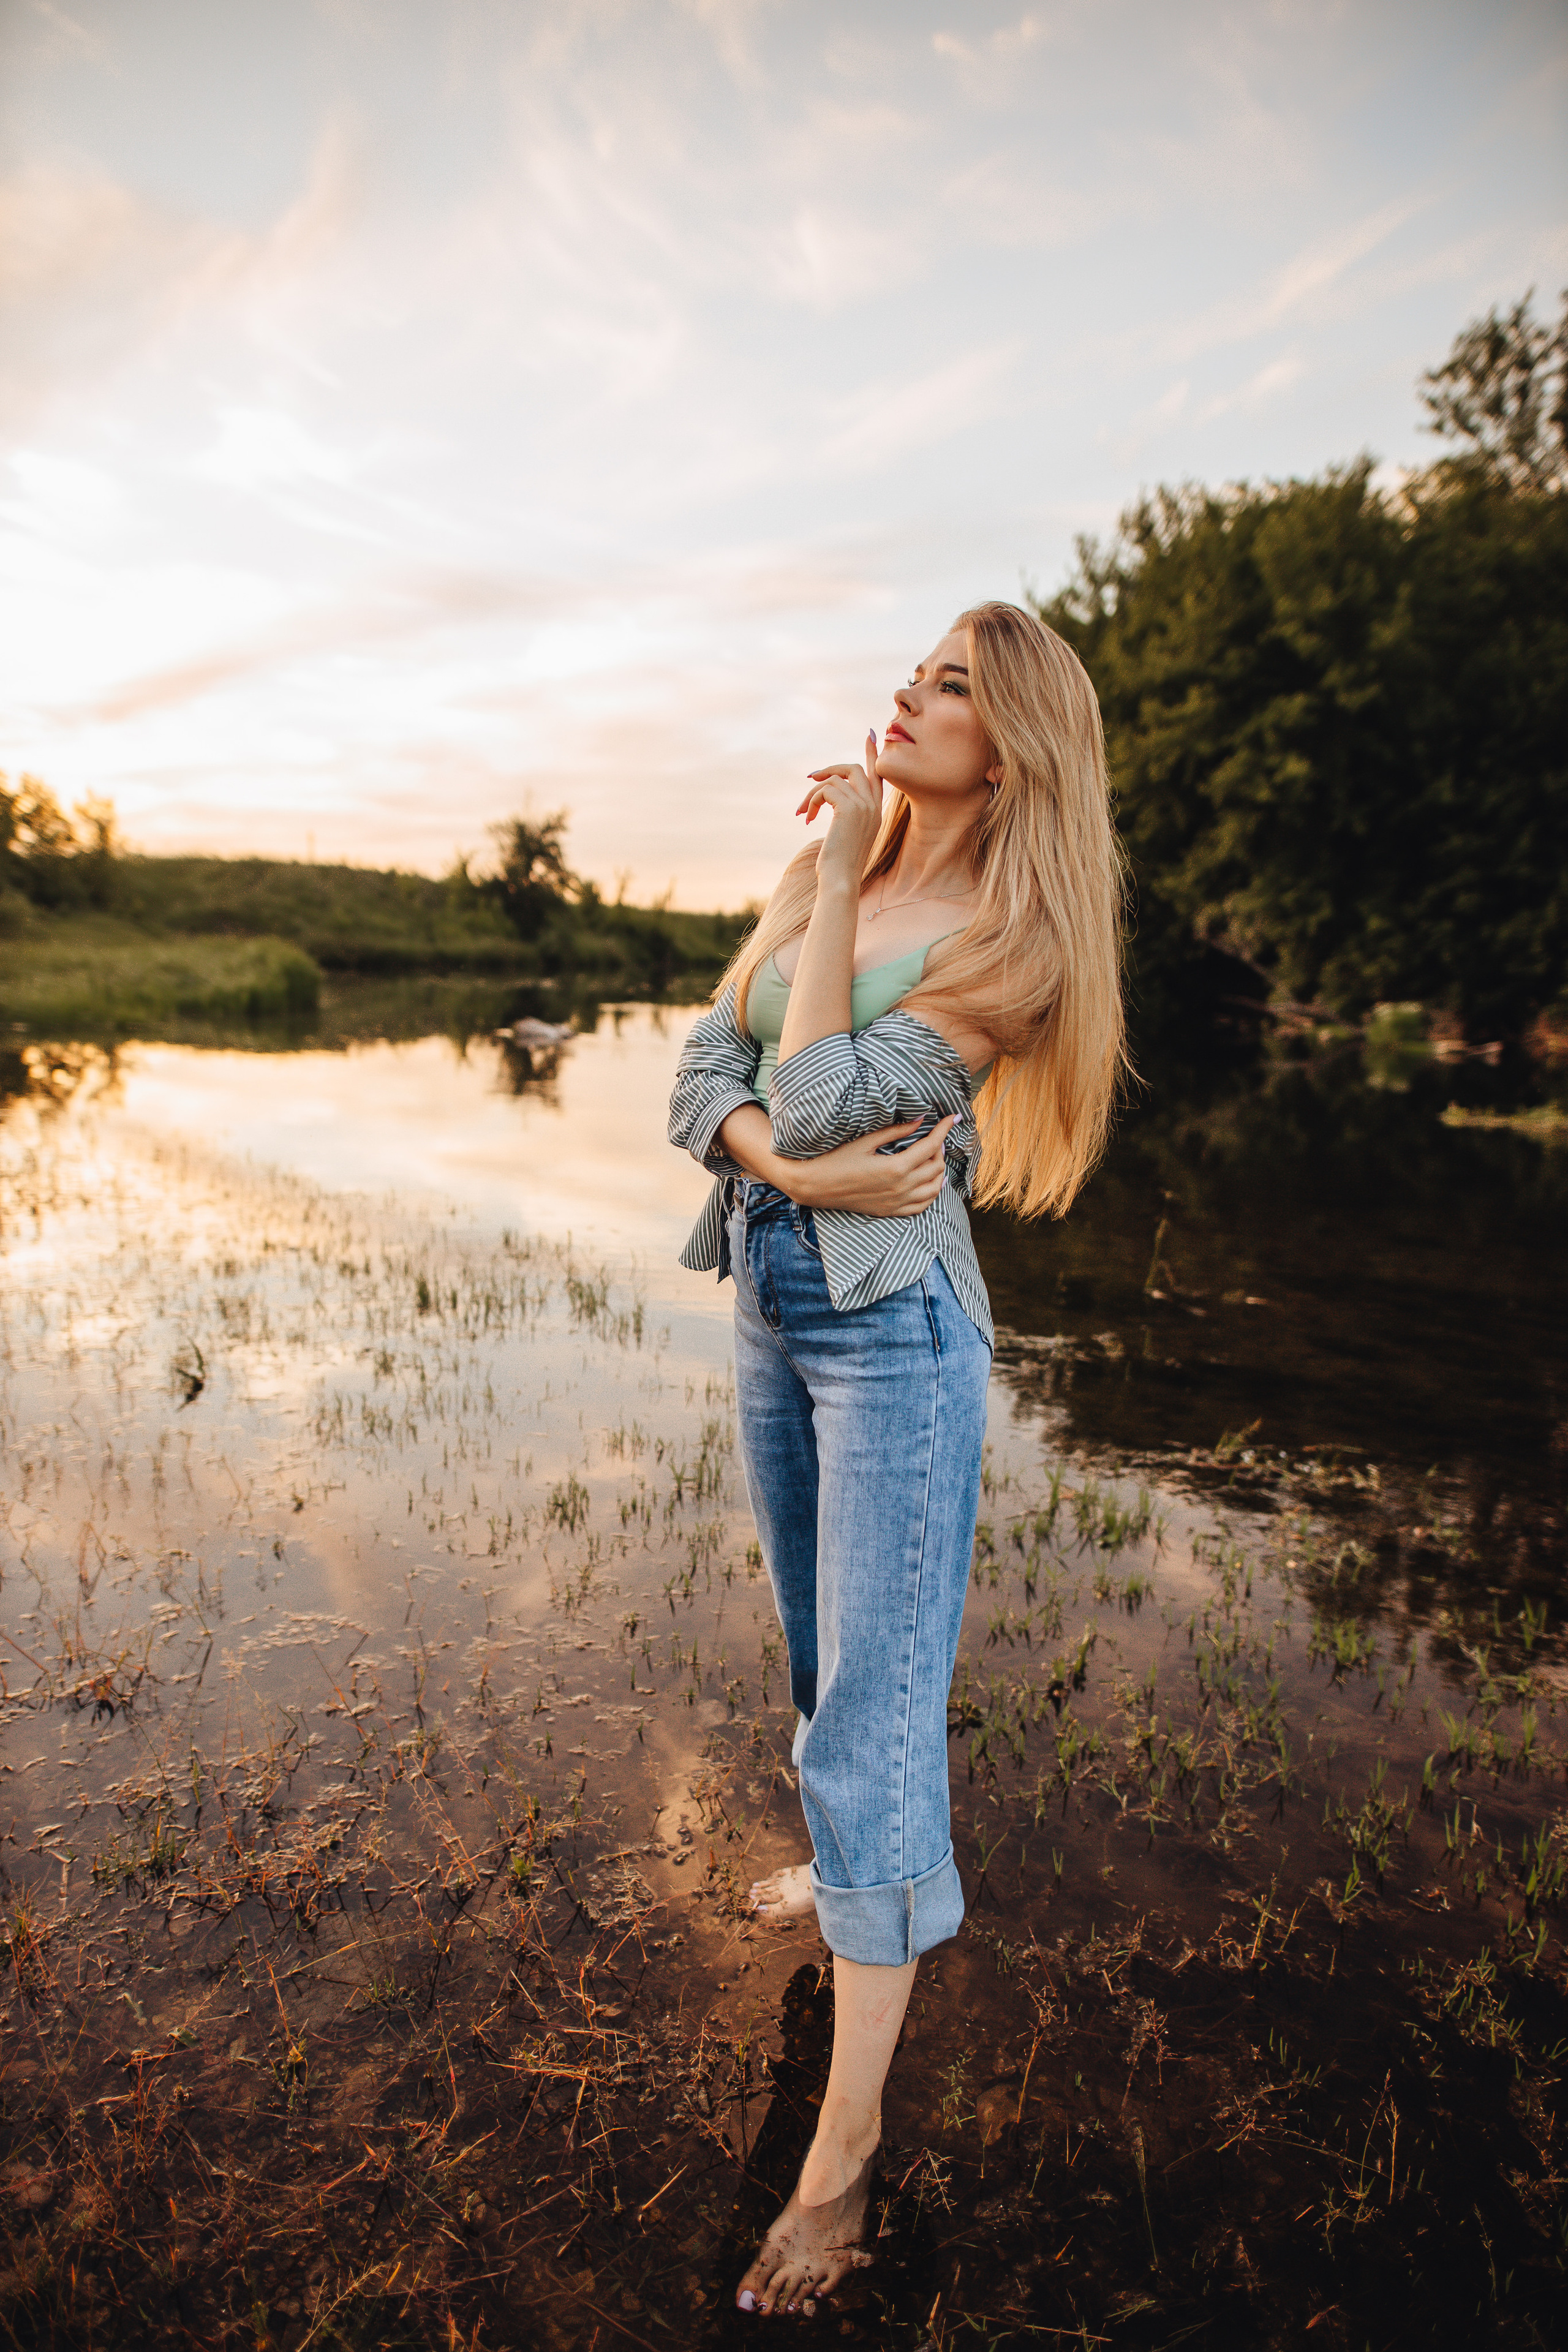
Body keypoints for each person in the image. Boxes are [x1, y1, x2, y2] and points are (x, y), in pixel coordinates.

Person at [667, 600, 1128, 2318]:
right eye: (915, 672)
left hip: (896, 1339)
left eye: (951, 687)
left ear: (1013, 746)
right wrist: (780, 1175)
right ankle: (872, 1887)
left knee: (875, 1709)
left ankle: (845, 2154)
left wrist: (847, 872)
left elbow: (827, 1094)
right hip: (774, 1306)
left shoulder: (1014, 940)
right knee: (819, 1655)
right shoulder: (823, 872)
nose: (909, 697)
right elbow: (710, 1076)